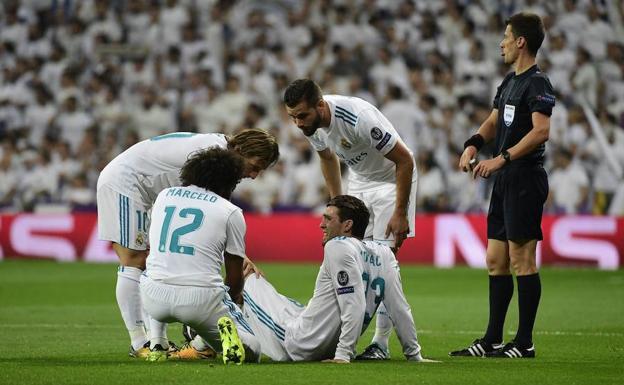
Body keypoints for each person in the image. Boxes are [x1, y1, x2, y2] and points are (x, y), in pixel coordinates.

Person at [96, 129, 279, 358]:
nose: (254, 175)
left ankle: (160, 342)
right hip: (126, 181)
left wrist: (239, 253)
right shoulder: (212, 156)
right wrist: (238, 257)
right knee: (134, 259)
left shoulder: (217, 154)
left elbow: (215, 211)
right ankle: (140, 342)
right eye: (256, 165)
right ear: (241, 151)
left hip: (150, 189)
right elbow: (217, 210)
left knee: (154, 261)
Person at [283, 78, 417, 360]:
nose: (298, 123)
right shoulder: (312, 123)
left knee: (383, 261)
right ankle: (334, 333)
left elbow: (405, 160)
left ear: (320, 105)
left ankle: (380, 343)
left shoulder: (358, 118)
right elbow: (327, 159)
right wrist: (337, 204)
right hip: (359, 182)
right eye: (292, 117)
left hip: (392, 181)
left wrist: (400, 212)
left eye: (302, 115)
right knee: (350, 254)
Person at [450, 12, 555, 359]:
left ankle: (524, 342)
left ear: (521, 41)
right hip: (506, 180)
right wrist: (474, 143)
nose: (502, 43)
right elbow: (496, 119)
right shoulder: (510, 81)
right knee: (496, 260)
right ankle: (492, 339)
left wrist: (501, 158)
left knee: (521, 259)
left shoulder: (538, 84)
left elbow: (541, 131)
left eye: (507, 36)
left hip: (524, 176)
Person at [242, 195, 426, 363]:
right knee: (290, 306)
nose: (321, 224)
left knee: (247, 280)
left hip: (300, 343)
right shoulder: (384, 253)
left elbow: (355, 304)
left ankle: (225, 336)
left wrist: (343, 354)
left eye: (328, 219)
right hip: (328, 344)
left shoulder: (337, 246)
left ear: (347, 225)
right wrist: (414, 354)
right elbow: (399, 308)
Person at [139, 147, 260, 364]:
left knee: (149, 270)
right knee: (254, 350)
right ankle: (215, 338)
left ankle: (157, 341)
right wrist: (229, 306)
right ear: (229, 180)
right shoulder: (230, 211)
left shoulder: (164, 196)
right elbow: (234, 276)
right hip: (201, 300)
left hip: (154, 298)